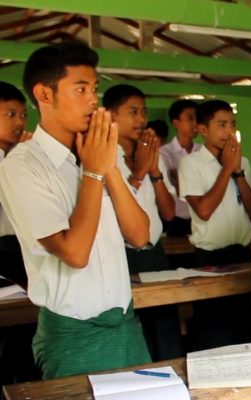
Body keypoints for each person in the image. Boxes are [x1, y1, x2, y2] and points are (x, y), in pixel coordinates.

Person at [0, 41, 151, 379]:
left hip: (124, 325)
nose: (93, 100)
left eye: (94, 89)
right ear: (45, 94)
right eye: (80, 89)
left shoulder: (97, 154)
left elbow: (140, 235)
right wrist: (94, 172)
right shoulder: (23, 166)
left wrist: (108, 168)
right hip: (74, 338)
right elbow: (75, 253)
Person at [103, 84, 184, 361]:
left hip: (154, 255)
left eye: (144, 112)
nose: (141, 119)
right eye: (133, 112)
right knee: (133, 330)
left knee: (165, 326)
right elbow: (113, 212)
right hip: (120, 257)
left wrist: (154, 171)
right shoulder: (104, 158)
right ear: (111, 116)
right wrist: (138, 173)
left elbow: (169, 212)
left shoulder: (151, 153)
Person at [179, 99, 251, 350]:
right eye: (222, 125)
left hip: (241, 254)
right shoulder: (191, 163)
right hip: (210, 258)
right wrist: (227, 169)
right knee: (214, 330)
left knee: (243, 329)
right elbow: (203, 211)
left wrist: (238, 172)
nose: (229, 132)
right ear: (203, 130)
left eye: (232, 125)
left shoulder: (242, 163)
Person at [0, 81, 30, 289]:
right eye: (11, 115)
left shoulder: (18, 156)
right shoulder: (14, 159)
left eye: (23, 115)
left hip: (20, 249)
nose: (19, 122)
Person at [160, 99, 200, 237]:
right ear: (176, 123)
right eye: (190, 118)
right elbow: (167, 189)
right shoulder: (164, 154)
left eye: (197, 118)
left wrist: (178, 178)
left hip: (202, 219)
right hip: (177, 221)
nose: (196, 123)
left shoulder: (202, 152)